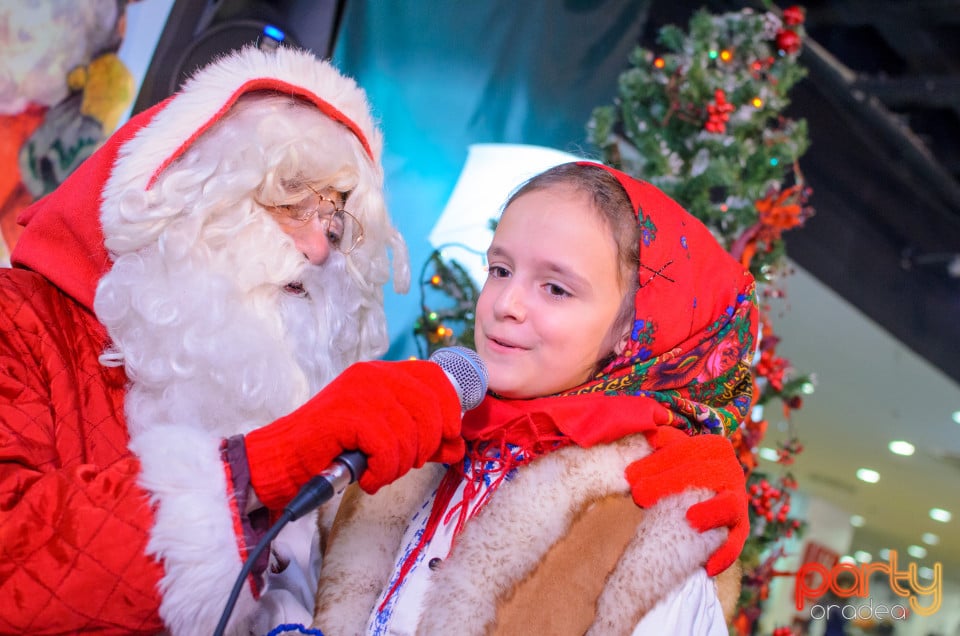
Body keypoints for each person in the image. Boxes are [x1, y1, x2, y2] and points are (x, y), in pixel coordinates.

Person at [0, 45, 466, 635]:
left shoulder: (331, 445)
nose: (317, 249)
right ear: (188, 197)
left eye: (333, 220)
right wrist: (267, 463)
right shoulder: (17, 322)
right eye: (288, 200)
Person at [306, 161, 759, 634]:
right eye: (500, 269)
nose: (506, 304)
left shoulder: (652, 529)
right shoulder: (415, 439)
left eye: (556, 289)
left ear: (632, 329)